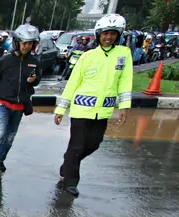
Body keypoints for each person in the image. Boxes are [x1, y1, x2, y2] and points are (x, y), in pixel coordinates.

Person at [53, 13, 132, 197]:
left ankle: (67, 164)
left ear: (118, 35)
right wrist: (61, 109)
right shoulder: (87, 57)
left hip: (103, 111)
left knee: (94, 144)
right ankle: (71, 182)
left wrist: (124, 106)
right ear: (99, 34)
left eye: (113, 33)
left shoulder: (123, 55)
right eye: (105, 33)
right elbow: (73, 83)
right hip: (81, 109)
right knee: (77, 146)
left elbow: (125, 82)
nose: (109, 37)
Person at [0, 24, 41, 179]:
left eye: (30, 43)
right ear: (17, 42)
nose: (26, 46)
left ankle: (0, 161)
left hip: (19, 107)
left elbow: (38, 80)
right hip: (3, 104)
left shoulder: (34, 62)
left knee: (10, 138)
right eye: (24, 43)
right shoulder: (5, 61)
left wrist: (34, 80)